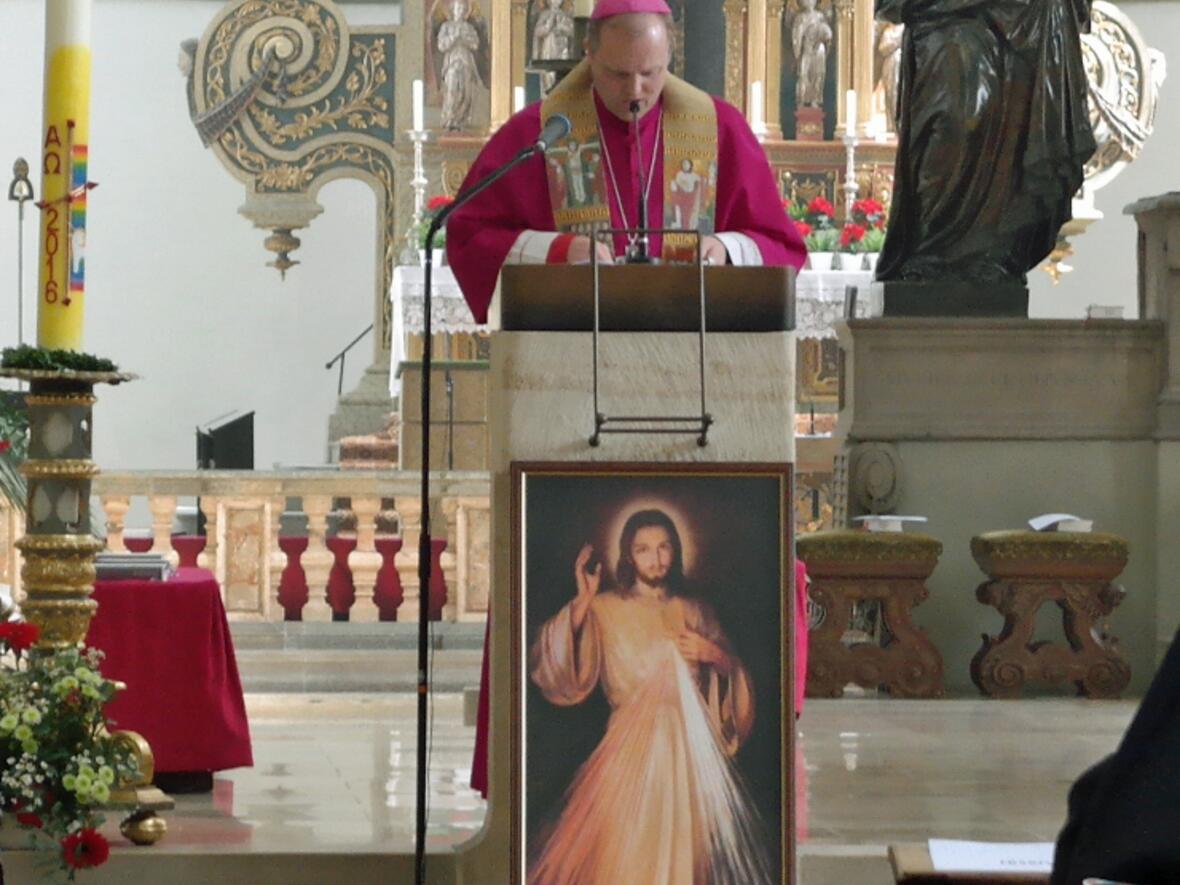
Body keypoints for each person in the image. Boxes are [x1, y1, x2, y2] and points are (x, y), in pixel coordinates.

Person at [445, 0, 806, 323]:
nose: (635, 91)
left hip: (693, 354)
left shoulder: (719, 129)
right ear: (589, 54)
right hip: (572, 354)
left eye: (649, 73)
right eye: (618, 74)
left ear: (669, 56)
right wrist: (560, 249)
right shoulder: (542, 132)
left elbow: (782, 246)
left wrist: (726, 249)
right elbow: (470, 236)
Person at [528, 509, 773, 884]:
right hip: (625, 757)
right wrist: (582, 602)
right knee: (625, 858)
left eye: (664, 548)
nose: (655, 559)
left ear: (675, 552)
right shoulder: (604, 609)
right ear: (628, 555)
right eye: (643, 550)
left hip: (690, 761)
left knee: (687, 863)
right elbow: (555, 667)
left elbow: (733, 682)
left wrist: (716, 656)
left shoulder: (697, 611)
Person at [874, 0, 1096, 285]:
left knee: (1010, 128)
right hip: (946, 19)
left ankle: (988, 252)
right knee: (959, 119)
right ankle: (931, 248)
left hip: (1019, 19)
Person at [792, 0, 832, 109]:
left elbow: (827, 34)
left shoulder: (820, 16)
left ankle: (815, 99)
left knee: (818, 74)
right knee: (803, 74)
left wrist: (825, 36)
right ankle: (802, 100)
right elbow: (796, 37)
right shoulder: (800, 18)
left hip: (819, 50)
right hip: (806, 50)